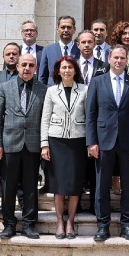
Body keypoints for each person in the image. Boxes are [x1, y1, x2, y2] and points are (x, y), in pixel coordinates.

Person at [86, 45, 129, 242]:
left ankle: (127, 225)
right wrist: (91, 141)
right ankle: (103, 225)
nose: (119, 61)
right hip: (103, 141)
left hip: (128, 142)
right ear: (109, 59)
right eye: (116, 58)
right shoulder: (97, 82)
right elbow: (91, 114)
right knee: (102, 186)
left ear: (127, 60)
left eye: (122, 58)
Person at [0, 53, 48, 239]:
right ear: (17, 66)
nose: (27, 68)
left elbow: (44, 119)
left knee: (31, 186)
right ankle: (9, 224)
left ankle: (29, 224)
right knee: (8, 187)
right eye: (24, 64)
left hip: (32, 146)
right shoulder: (5, 88)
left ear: (36, 68)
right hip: (9, 145)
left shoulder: (43, 89)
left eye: (31, 65)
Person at [40, 57, 88, 239]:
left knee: (75, 184)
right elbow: (45, 118)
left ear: (75, 70)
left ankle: (71, 222)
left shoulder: (84, 89)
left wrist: (89, 142)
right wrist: (44, 144)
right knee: (59, 184)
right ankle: (60, 221)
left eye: (70, 67)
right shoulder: (51, 91)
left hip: (77, 141)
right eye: (63, 68)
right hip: (56, 141)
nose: (67, 70)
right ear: (58, 71)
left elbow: (89, 115)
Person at [39, 15, 79, 84]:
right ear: (57, 29)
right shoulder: (48, 50)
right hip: (53, 91)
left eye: (69, 27)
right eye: (63, 27)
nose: (66, 30)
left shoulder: (80, 49)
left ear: (74, 29)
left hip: (75, 91)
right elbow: (42, 76)